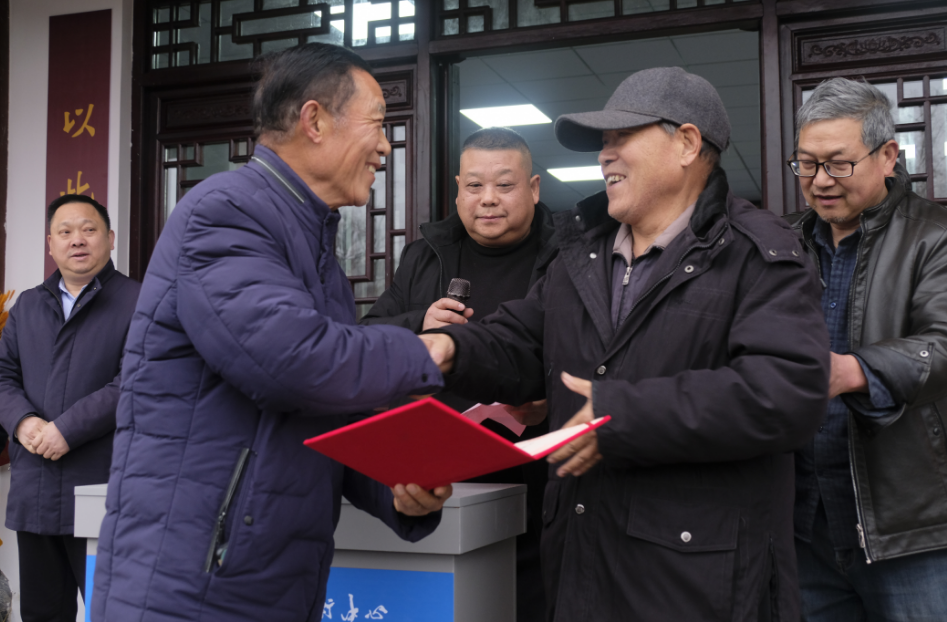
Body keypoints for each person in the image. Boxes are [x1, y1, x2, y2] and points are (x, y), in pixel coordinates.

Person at [420, 66, 831, 621]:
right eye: (602, 142)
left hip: (698, 583)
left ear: (687, 144)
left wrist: (622, 416)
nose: (604, 156)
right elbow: (522, 339)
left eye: (621, 138)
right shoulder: (579, 251)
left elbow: (786, 394)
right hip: (579, 564)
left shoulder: (759, 253)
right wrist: (450, 349)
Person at [90, 43, 451, 622]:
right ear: (315, 121)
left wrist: (399, 488)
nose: (385, 146)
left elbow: (330, 418)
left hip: (274, 580)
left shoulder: (315, 245)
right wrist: (424, 350)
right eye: (378, 123)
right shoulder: (224, 212)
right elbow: (293, 364)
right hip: (191, 586)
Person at [361, 126, 558, 622]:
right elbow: (367, 339)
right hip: (440, 481)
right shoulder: (425, 254)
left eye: (504, 185)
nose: (488, 199)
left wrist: (551, 397)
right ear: (457, 190)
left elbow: (595, 353)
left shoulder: (568, 256)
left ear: (533, 188)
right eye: (474, 186)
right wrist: (420, 323)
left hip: (538, 484)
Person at [787, 77, 947, 620]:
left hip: (909, 525)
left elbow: (942, 345)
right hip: (805, 521)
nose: (819, 181)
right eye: (807, 164)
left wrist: (850, 371)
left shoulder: (934, 236)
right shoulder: (782, 244)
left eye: (838, 164)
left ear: (887, 156)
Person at [0, 194, 140, 622]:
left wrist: (67, 429)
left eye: (88, 229)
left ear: (110, 238)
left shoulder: (140, 301)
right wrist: (22, 422)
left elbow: (136, 381)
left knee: (113, 612)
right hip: (36, 489)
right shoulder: (27, 306)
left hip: (104, 488)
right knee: (41, 613)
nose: (77, 240)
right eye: (65, 232)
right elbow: (3, 375)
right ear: (50, 244)